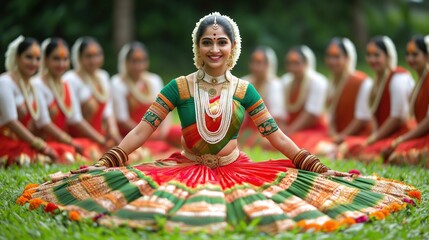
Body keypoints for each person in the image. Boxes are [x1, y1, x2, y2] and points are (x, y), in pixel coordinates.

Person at [19, 13, 419, 234]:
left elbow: (274, 134)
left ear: (233, 48)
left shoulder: (245, 90)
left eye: (221, 41)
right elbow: (146, 127)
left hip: (236, 168)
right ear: (197, 47)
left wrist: (307, 160)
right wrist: (113, 158)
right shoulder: (179, 86)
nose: (214, 48)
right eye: (207, 42)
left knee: (291, 204)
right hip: (185, 168)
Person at [0, 36, 79, 166]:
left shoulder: (32, 85)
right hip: (5, 143)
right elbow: (11, 121)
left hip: (26, 143)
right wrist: (41, 146)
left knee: (66, 152)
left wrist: (69, 141)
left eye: (37, 59)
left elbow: (43, 121)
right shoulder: (5, 82)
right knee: (30, 158)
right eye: (28, 57)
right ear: (17, 58)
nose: (34, 63)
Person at [339, 36, 415, 161]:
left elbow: (398, 118)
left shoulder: (398, 79)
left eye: (377, 55)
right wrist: (374, 137)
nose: (372, 59)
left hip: (400, 134)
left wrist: (374, 138)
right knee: (349, 147)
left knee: (369, 153)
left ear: (388, 57)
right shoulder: (375, 83)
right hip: (383, 135)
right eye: (369, 55)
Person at [32, 38, 109, 160]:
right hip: (43, 143)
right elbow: (43, 122)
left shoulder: (65, 84)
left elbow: (75, 118)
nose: (61, 64)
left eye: (65, 59)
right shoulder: (36, 84)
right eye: (56, 59)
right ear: (45, 60)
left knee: (93, 152)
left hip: (65, 141)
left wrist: (104, 139)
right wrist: (70, 141)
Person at [111, 42, 181, 158]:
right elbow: (122, 119)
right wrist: (147, 133)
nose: (139, 65)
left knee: (185, 133)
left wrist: (163, 131)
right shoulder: (118, 83)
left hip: (156, 132)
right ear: (126, 62)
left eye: (142, 60)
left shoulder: (153, 80)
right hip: (134, 133)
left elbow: (166, 108)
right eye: (134, 61)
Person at [313, 38, 373, 156]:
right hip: (338, 136)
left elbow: (362, 118)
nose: (332, 61)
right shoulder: (331, 83)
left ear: (347, 58)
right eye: (329, 56)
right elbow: (331, 114)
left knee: (341, 150)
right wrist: (333, 134)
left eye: (336, 57)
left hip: (359, 135)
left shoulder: (361, 82)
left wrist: (342, 136)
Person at [63, 37, 121, 145]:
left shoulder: (103, 76)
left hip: (101, 137)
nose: (94, 60)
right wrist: (101, 141)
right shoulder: (70, 79)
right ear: (79, 57)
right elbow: (74, 118)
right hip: (79, 140)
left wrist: (115, 135)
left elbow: (108, 111)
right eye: (88, 56)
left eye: (97, 55)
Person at [384, 35, 429, 167]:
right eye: (408, 54)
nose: (410, 59)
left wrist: (403, 138)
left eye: (415, 54)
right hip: (421, 135)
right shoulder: (420, 80)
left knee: (397, 155)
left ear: (426, 56)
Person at [280, 46, 329, 151]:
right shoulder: (285, 81)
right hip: (291, 128)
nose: (292, 67)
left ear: (306, 64)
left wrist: (289, 131)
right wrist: (283, 129)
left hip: (313, 130)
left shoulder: (317, 82)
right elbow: (282, 112)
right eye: (289, 63)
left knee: (295, 141)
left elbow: (311, 115)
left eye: (296, 63)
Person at [240, 46, 286, 148]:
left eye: (259, 62)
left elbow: (277, 117)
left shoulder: (274, 84)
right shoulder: (244, 82)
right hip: (246, 130)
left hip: (269, 130)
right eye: (253, 62)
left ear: (269, 65)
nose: (255, 66)